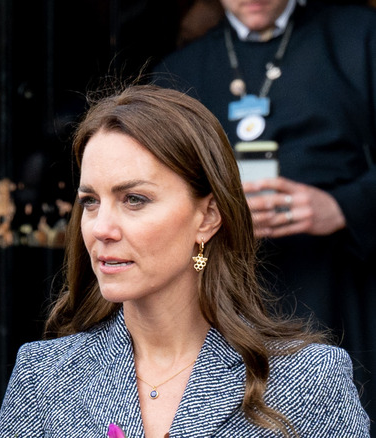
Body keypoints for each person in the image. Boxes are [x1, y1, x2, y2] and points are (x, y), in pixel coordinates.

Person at [0, 85, 369, 437]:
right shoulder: (44, 375)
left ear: (206, 217)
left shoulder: (307, 379)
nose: (100, 228)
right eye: (90, 201)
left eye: (134, 199)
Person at [152, 0, 376, 419]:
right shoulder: (178, 72)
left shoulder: (361, 37)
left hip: (340, 290)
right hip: (225, 299)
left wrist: (344, 206)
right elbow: (151, 191)